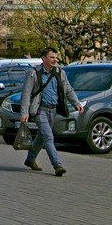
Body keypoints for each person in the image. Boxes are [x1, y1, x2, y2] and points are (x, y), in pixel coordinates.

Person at [19, 46, 83, 177]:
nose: (55, 60)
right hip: (39, 110)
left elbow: (68, 90)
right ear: (43, 59)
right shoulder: (34, 73)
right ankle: (57, 165)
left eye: (56, 57)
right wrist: (24, 113)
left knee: (41, 137)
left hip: (53, 110)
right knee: (48, 137)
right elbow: (26, 94)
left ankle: (30, 160)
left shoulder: (59, 72)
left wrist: (76, 103)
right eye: (51, 57)